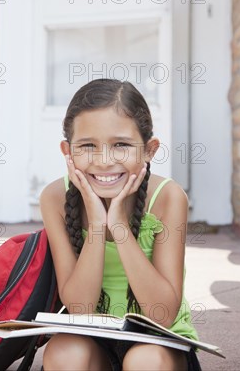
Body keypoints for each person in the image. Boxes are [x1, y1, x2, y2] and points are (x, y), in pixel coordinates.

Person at [39, 78, 202, 371]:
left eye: (121, 145)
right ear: (67, 151)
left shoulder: (167, 198)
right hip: (94, 336)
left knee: (144, 361)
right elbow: (79, 310)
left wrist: (120, 227)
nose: (104, 161)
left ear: (149, 149)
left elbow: (162, 314)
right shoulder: (54, 198)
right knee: (64, 353)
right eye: (88, 145)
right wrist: (98, 228)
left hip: (158, 341)